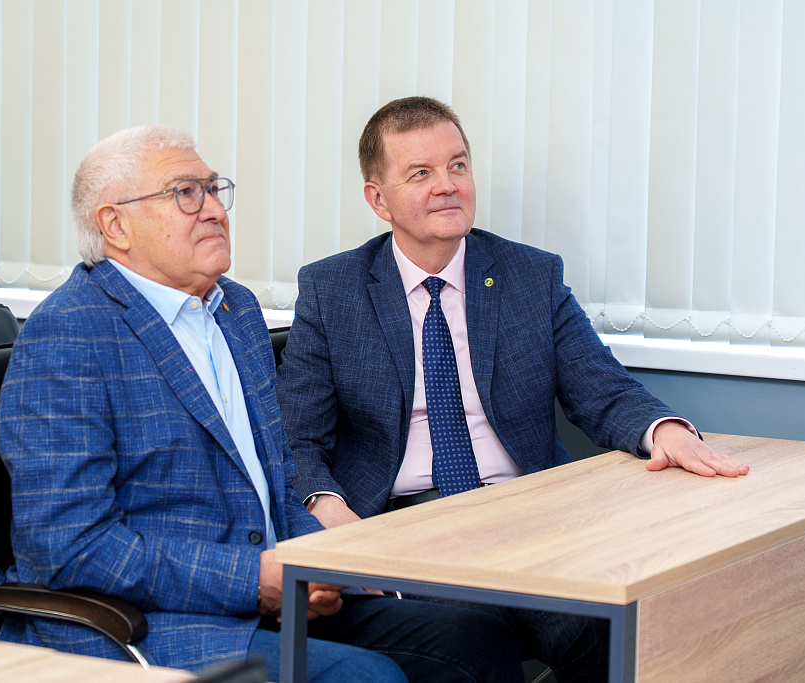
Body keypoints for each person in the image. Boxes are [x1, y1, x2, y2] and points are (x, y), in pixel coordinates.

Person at [0, 124, 524, 681]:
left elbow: (277, 484)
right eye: (185, 194)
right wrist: (255, 579)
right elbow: (71, 548)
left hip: (273, 593)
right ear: (116, 225)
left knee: (476, 639)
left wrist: (323, 566)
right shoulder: (68, 335)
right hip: (152, 623)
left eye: (213, 190)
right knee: (364, 678)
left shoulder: (234, 311)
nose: (215, 210)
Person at [276, 97, 751, 679]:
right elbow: (296, 439)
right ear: (378, 200)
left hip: (529, 519)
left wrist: (666, 430)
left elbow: (601, 389)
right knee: (477, 642)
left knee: (617, 629)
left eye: (458, 165)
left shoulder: (529, 274)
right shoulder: (332, 290)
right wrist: (328, 509)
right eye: (420, 173)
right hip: (404, 528)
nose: (447, 185)